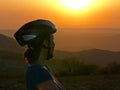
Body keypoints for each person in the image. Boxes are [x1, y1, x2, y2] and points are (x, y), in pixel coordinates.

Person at [14, 19, 65, 90]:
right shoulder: (38, 71)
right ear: (45, 42)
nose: (53, 44)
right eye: (52, 39)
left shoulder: (42, 69)